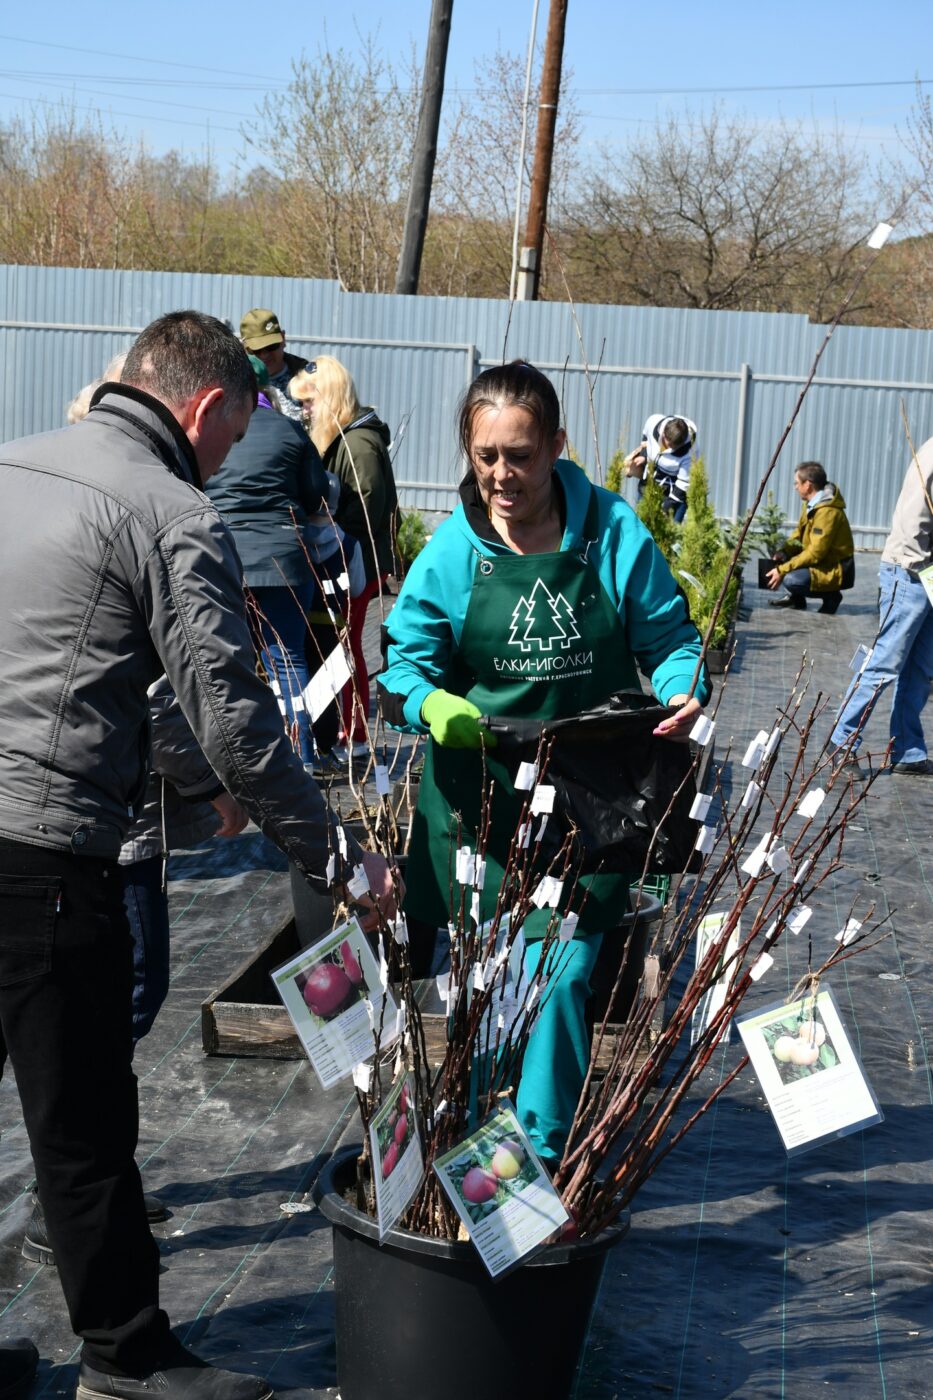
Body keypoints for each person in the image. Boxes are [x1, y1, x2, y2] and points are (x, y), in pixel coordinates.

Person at [0, 310, 394, 1400]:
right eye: (231, 439)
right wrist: (334, 849)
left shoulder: (14, 464)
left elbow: (122, 679)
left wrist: (197, 778)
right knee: (82, 1119)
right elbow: (229, 711)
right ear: (205, 406)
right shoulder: (170, 507)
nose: (229, 462)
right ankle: (126, 1356)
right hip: (44, 851)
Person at [378, 360, 710, 1163]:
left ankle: (529, 1160)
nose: (500, 474)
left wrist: (678, 688)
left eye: (519, 455)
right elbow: (400, 666)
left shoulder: (608, 531)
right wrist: (433, 706)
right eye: (484, 454)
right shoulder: (454, 548)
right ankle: (456, 1144)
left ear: (556, 445)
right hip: (478, 803)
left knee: (560, 972)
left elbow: (669, 637)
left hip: (590, 798)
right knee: (482, 980)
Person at [205, 355, 329, 767]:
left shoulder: (212, 432)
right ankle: (301, 758)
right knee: (288, 659)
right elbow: (315, 497)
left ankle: (231, 763)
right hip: (284, 560)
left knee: (224, 660)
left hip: (225, 560)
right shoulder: (291, 430)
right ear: (269, 392)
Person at [290, 357, 400, 748]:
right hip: (351, 558)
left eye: (308, 403)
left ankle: (350, 729)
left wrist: (333, 539)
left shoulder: (357, 442)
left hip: (355, 562)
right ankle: (340, 726)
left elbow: (368, 502)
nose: (304, 412)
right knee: (342, 642)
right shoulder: (350, 437)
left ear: (329, 398)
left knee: (346, 644)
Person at [828, 435, 933, 776]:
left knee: (920, 668)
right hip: (912, 571)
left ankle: (907, 750)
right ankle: (842, 741)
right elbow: (917, 517)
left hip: (926, 573)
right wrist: (920, 563)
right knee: (886, 663)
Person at [765, 461, 855, 613]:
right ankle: (797, 599)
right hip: (821, 562)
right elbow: (798, 535)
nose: (795, 487)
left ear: (808, 485)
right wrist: (784, 552)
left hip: (835, 568)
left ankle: (832, 596)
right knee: (779, 557)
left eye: (797, 483)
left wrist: (782, 570)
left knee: (791, 580)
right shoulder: (811, 504)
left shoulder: (827, 512)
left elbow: (815, 553)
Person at [624, 412, 698, 522]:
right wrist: (644, 456)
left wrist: (665, 508)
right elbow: (645, 438)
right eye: (664, 443)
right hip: (650, 480)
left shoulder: (691, 452)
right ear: (663, 433)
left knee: (670, 532)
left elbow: (683, 484)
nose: (664, 448)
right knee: (641, 524)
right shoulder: (653, 421)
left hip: (674, 486)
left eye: (671, 448)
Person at [239, 308, 308, 421]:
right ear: (245, 348)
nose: (265, 355)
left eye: (271, 346)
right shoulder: (233, 382)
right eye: (257, 349)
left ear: (283, 339)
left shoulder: (309, 376)